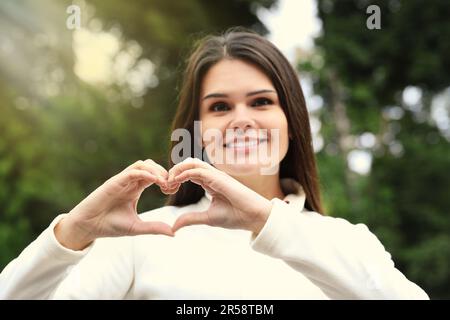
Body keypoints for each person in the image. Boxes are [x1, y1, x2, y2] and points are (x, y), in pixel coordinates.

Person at [0, 28, 429, 299]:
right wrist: (72, 233)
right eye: (220, 107)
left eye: (261, 101)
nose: (241, 119)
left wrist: (266, 222)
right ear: (199, 131)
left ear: (292, 124)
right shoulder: (142, 238)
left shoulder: (345, 242)